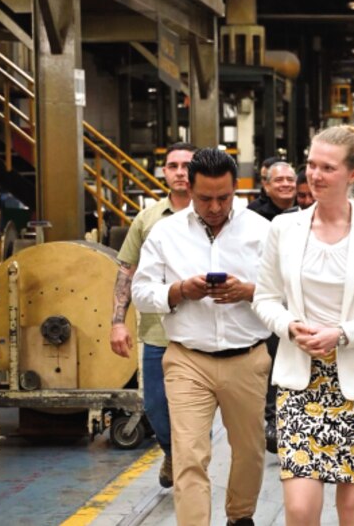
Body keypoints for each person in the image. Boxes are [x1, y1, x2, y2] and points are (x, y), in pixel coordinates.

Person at [252, 125, 354, 526]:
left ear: (353, 175)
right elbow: (264, 298)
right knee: (301, 510)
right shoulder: (283, 229)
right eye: (311, 164)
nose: (315, 175)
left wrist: (342, 334)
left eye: (327, 167)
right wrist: (290, 326)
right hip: (300, 383)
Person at [131, 148, 272, 526]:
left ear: (237, 190)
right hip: (187, 359)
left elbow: (288, 292)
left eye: (224, 197)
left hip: (247, 357)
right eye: (205, 198)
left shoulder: (262, 231)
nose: (214, 207)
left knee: (250, 451)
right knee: (190, 455)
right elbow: (141, 293)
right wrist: (178, 291)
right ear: (188, 189)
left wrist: (249, 291)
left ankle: (240, 516)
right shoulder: (166, 232)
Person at [110, 142, 196, 489]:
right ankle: (172, 452)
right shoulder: (147, 220)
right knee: (158, 408)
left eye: (186, 165)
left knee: (195, 412)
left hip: (200, 332)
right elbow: (126, 271)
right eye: (173, 165)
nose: (180, 172)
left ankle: (190, 466)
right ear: (164, 172)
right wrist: (117, 321)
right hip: (158, 332)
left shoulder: (213, 212)